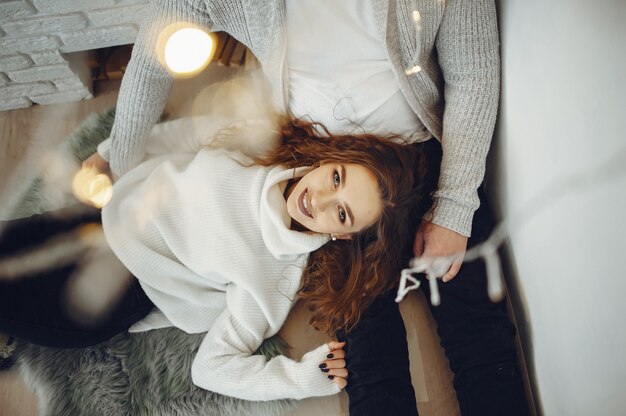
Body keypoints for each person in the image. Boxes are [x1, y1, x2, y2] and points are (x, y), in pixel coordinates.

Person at [94, 1, 530, 414]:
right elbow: (157, 48)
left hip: (423, 155)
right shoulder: (315, 202)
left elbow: (473, 73)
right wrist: (123, 169)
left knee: (480, 333)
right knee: (369, 355)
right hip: (321, 167)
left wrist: (452, 205)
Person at [0, 116, 427, 401]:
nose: (319, 199)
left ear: (341, 233)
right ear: (332, 159)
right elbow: (179, 135)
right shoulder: (263, 143)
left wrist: (298, 379)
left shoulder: (276, 274)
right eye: (336, 178)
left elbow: (212, 368)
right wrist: (114, 149)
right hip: (95, 219)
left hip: (110, 293)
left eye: (342, 212)